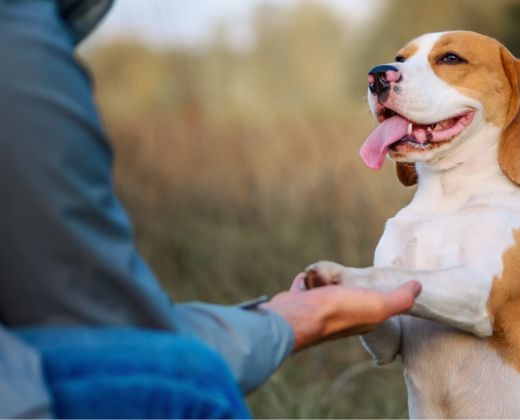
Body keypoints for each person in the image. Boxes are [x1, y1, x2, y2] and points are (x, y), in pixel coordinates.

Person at [0, 0, 421, 418]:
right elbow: (123, 339)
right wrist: (289, 323)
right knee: (190, 388)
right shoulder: (18, 38)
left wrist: (282, 321)